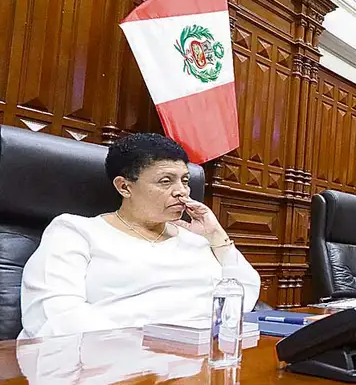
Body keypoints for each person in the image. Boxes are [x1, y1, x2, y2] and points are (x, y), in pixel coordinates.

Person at [19, 133, 261, 339]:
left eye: (185, 181)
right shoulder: (76, 232)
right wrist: (153, 355)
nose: (182, 191)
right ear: (124, 187)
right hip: (114, 368)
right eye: (166, 181)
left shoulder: (196, 238)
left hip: (204, 364)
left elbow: (243, 298)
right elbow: (54, 317)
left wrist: (216, 236)